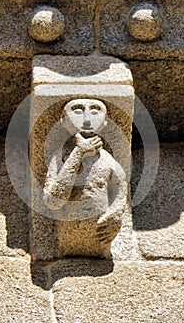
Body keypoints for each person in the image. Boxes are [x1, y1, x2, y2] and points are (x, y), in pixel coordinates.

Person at [43, 98, 127, 255]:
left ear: (104, 123)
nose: (87, 119)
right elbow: (53, 200)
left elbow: (121, 189)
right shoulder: (60, 158)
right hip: (68, 236)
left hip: (100, 234)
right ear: (63, 121)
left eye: (95, 111)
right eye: (77, 111)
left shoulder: (107, 159)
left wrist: (115, 215)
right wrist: (78, 152)